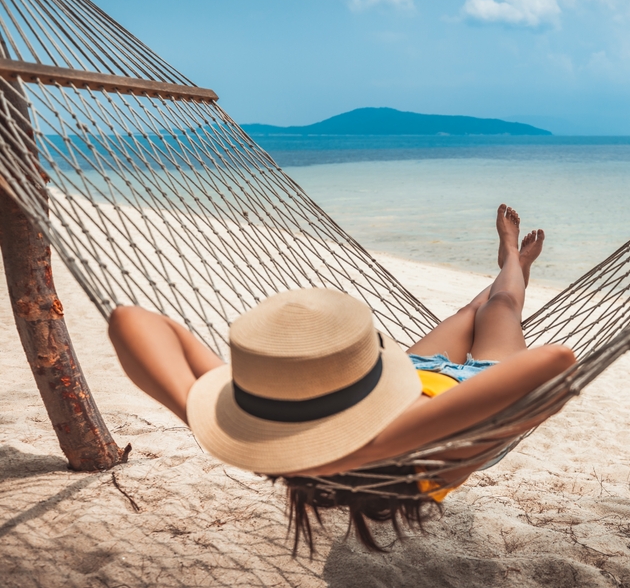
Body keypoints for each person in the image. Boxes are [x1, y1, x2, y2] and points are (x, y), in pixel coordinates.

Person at [108, 204, 576, 554]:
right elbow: (555, 362)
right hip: (477, 393)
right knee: (497, 308)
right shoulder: (428, 454)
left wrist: (202, 416)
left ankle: (510, 267)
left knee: (466, 311)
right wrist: (377, 441)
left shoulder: (276, 423)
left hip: (398, 377)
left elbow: (129, 319)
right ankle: (513, 260)